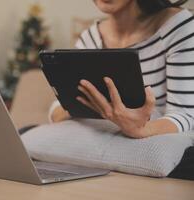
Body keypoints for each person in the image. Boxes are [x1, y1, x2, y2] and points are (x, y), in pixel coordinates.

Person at [49, 0, 194, 139]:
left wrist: (141, 130)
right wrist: (80, 105)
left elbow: (185, 116)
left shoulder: (179, 27)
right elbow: (56, 112)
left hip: (157, 153)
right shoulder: (90, 38)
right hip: (96, 148)